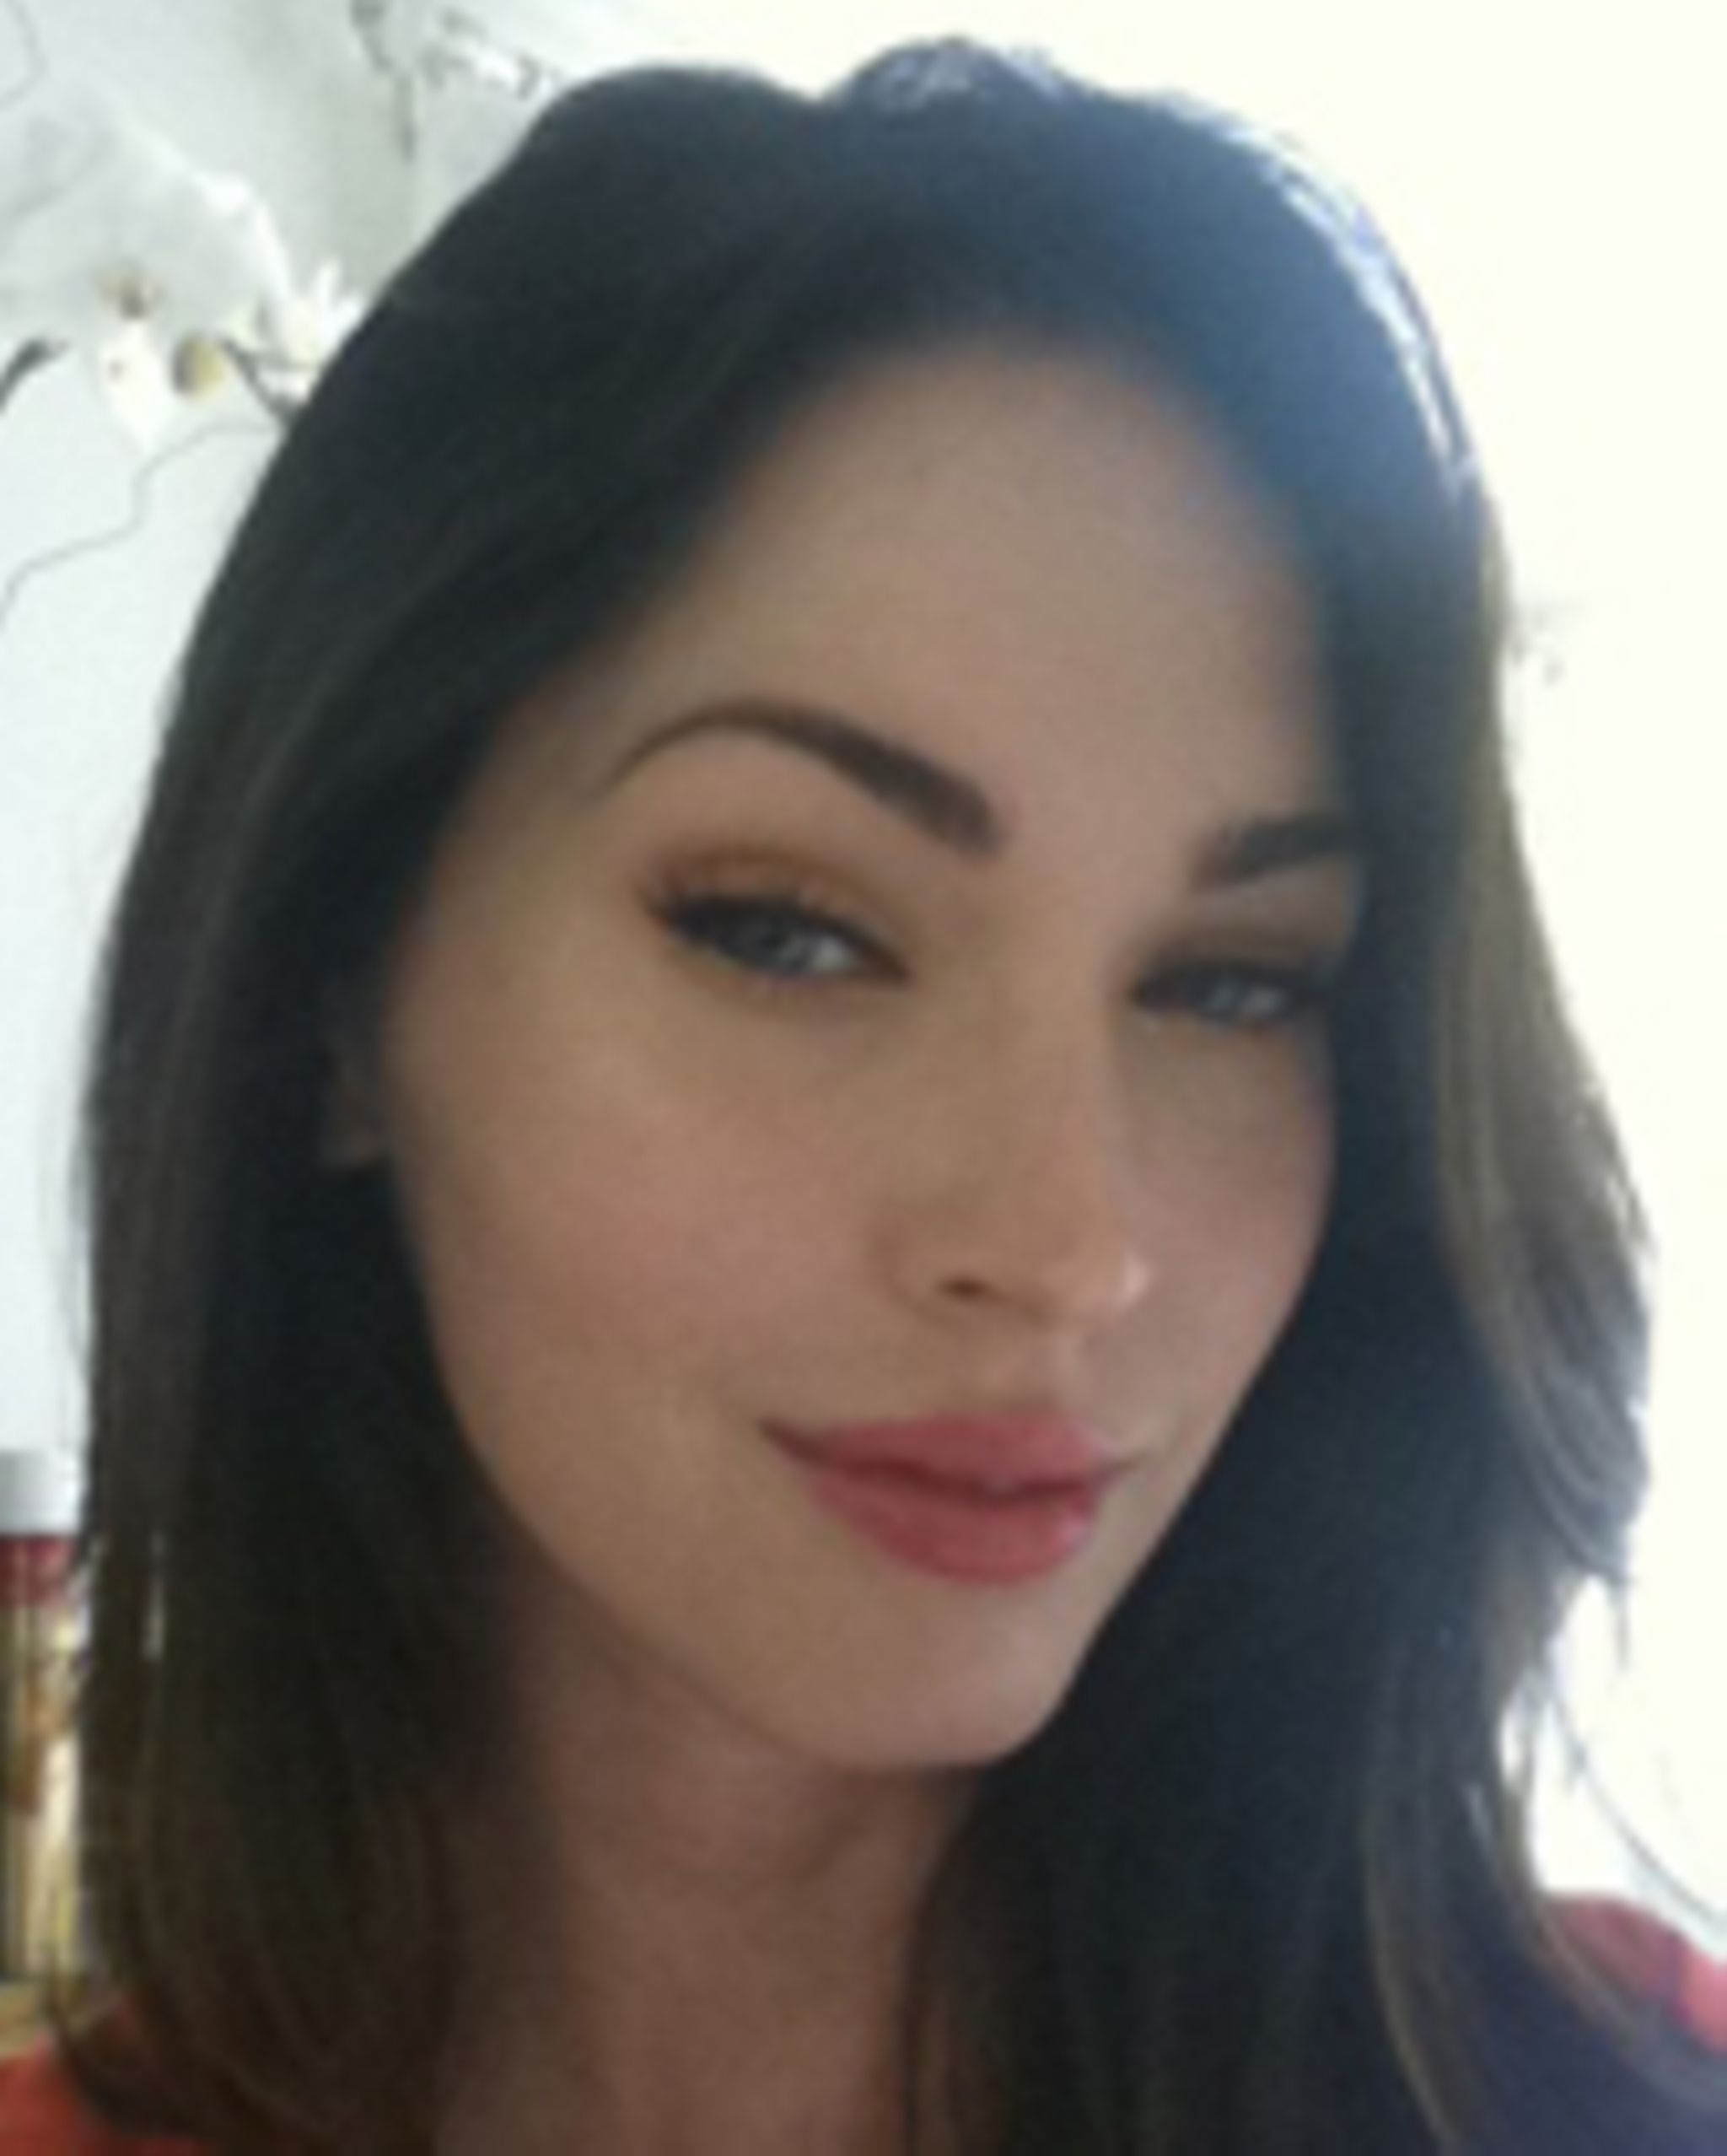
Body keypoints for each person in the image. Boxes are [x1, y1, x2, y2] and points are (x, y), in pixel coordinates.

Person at [3, 35, 1724, 2156]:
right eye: (788, 930)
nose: (1071, 1245)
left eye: (1231, 983)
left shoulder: (1619, 2101)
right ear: (335, 1000)